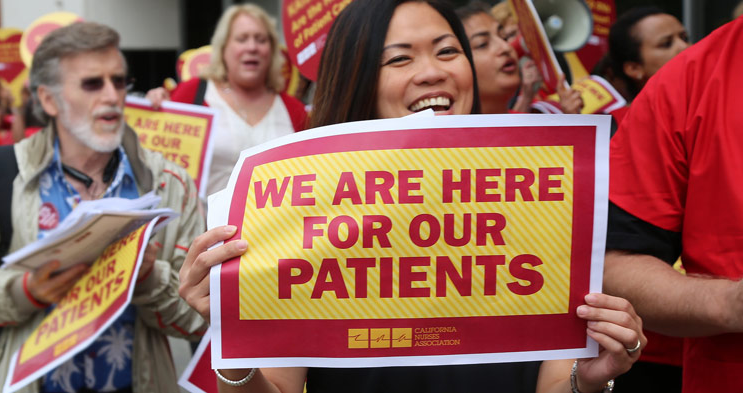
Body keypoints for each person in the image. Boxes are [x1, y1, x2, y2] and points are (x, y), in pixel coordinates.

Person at [179, 1, 644, 392]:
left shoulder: (547, 193)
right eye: (400, 59)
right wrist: (234, 350)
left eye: (448, 52)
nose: (432, 73)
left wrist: (589, 378)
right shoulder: (299, 205)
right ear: (356, 78)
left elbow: (556, 382)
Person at [0, 21, 207, 393]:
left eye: (119, 81)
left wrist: (147, 279)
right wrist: (24, 290)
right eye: (92, 84)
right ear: (48, 100)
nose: (112, 95)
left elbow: (197, 320)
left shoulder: (170, 183)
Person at [603, 15, 743, 393]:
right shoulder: (688, 82)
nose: (679, 46)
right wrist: (730, 304)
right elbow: (616, 265)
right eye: (665, 42)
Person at [146, 4, 307, 198]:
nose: (252, 47)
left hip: (277, 227)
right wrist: (153, 111)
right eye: (241, 39)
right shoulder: (192, 94)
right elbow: (155, 160)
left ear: (272, 51)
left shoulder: (294, 110)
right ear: (223, 48)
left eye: (261, 40)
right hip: (203, 226)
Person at [456, 2, 583, 115]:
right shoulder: (451, 139)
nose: (506, 47)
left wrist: (572, 123)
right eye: (482, 44)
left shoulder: (539, 125)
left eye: (504, 37)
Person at [606, 7, 689, 117]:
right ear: (634, 68)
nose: (685, 47)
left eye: (685, 38)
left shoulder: (711, 106)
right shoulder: (614, 128)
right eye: (666, 44)